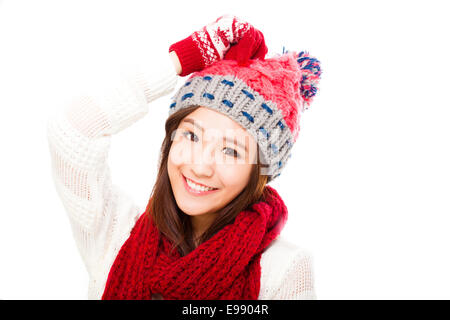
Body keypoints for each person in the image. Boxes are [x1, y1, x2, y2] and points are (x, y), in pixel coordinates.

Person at [47, 15, 321, 300]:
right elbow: (72, 130)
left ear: (260, 171)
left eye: (231, 151)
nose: (200, 166)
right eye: (191, 136)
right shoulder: (115, 234)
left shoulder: (282, 270)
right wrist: (180, 58)